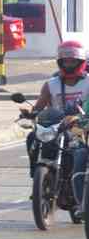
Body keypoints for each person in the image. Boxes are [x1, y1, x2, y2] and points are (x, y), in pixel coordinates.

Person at [24, 40, 89, 215]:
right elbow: (39, 105)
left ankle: (78, 194)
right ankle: (38, 176)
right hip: (56, 126)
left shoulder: (88, 83)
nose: (69, 65)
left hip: (79, 128)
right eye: (66, 61)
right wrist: (31, 113)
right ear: (60, 62)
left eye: (73, 61)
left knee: (78, 154)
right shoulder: (51, 84)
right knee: (32, 138)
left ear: (81, 62)